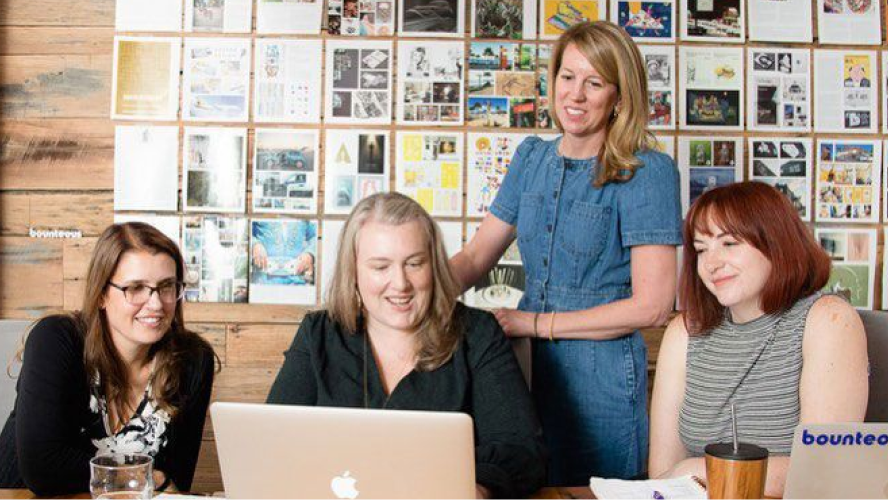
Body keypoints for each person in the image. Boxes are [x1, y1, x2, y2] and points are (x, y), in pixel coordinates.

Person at [450, 20, 681, 485]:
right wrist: (415, 286)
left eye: (594, 82)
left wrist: (536, 324)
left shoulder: (646, 172)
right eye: (567, 76)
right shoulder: (531, 157)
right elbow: (476, 258)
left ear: (619, 95)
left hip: (603, 382)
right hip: (521, 368)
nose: (575, 95)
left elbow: (653, 306)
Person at [267, 193, 546, 500]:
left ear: (435, 265)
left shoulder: (477, 334)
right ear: (354, 272)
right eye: (380, 266)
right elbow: (273, 443)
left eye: (414, 263)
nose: (400, 283)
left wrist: (476, 489)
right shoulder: (317, 333)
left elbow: (522, 450)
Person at [649, 182, 868, 497]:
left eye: (729, 243)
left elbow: (826, 469)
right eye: (701, 249)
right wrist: (689, 475)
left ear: (776, 243)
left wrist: (700, 470)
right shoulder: (684, 332)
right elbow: (664, 475)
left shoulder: (828, 320)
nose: (711, 264)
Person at [0, 222, 216, 495]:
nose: (157, 304)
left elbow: (176, 482)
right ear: (102, 294)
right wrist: (148, 475)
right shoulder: (56, 339)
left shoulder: (193, 360)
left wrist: (154, 479)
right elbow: (44, 469)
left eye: (167, 286)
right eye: (136, 288)